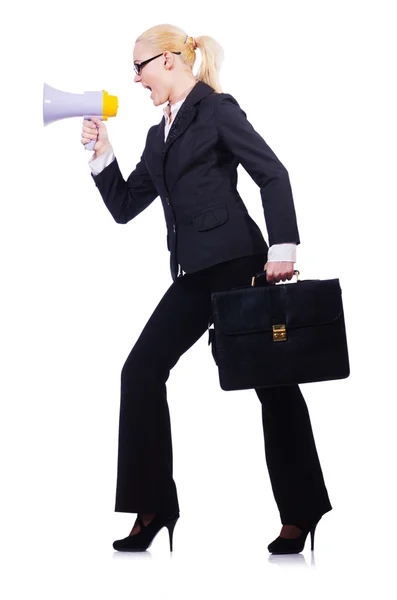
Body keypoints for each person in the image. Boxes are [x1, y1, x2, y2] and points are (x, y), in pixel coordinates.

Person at [81, 23, 332, 554]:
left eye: (139, 66)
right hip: (194, 274)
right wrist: (102, 154)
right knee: (141, 371)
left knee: (274, 384)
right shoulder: (157, 136)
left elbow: (272, 173)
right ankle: (153, 507)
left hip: (241, 262)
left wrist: (281, 248)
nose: (135, 80)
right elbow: (126, 207)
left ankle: (302, 511)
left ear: (170, 60)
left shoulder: (216, 109)